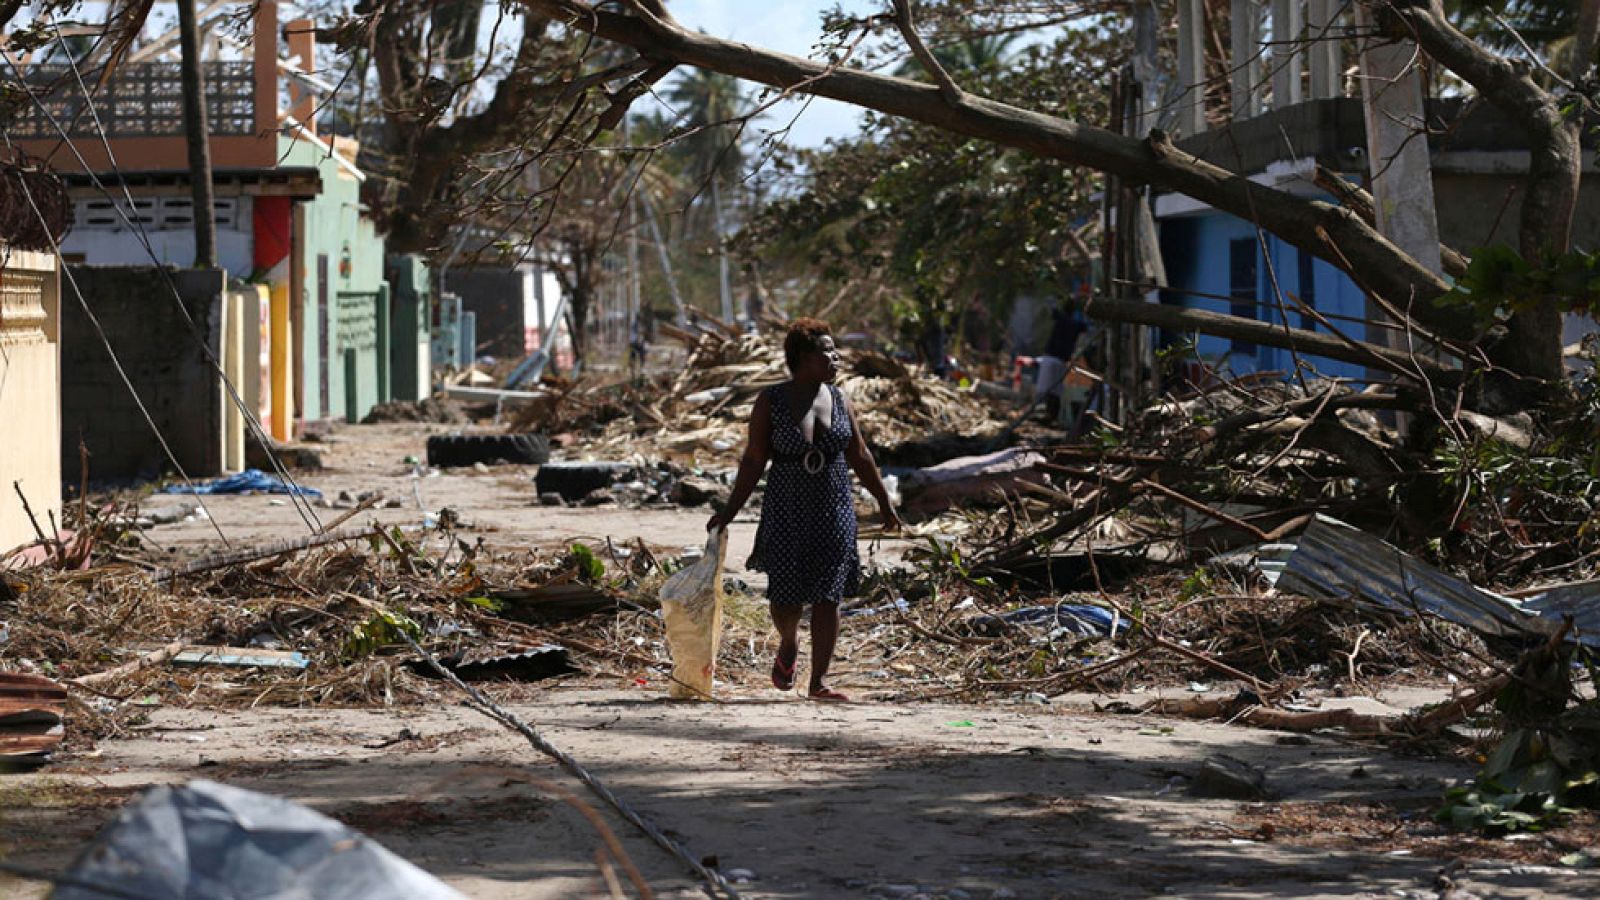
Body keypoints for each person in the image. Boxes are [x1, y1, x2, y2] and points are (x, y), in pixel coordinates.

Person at [707, 318, 903, 701]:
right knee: (786, 597)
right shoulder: (771, 401)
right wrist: (728, 512)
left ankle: (819, 682)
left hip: (834, 506)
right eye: (827, 352)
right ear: (802, 358)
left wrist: (884, 503)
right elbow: (753, 460)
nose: (836, 358)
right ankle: (788, 641)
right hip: (786, 506)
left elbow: (860, 455)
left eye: (835, 351)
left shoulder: (840, 399)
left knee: (829, 595)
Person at [1035, 303, 1086, 424]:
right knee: (1055, 390)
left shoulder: (1061, 319)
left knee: (1049, 390)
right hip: (1061, 360)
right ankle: (1052, 416)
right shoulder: (1075, 324)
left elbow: (1054, 311)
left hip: (1052, 357)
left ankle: (1050, 415)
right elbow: (1084, 327)